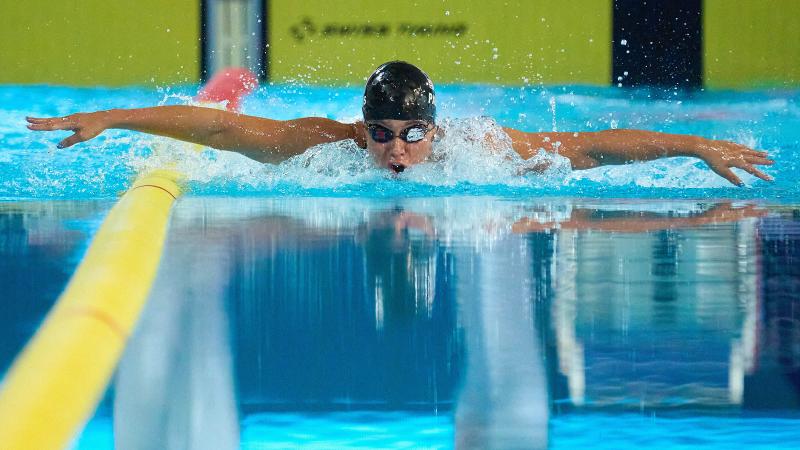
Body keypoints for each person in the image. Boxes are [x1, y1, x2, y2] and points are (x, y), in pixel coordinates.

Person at [27, 61, 773, 186]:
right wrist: (112, 117)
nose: (394, 150)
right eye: (380, 133)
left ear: (433, 132)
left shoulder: (474, 150)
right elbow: (217, 132)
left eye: (411, 135)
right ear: (362, 127)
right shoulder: (325, 143)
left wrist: (692, 143)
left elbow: (586, 149)